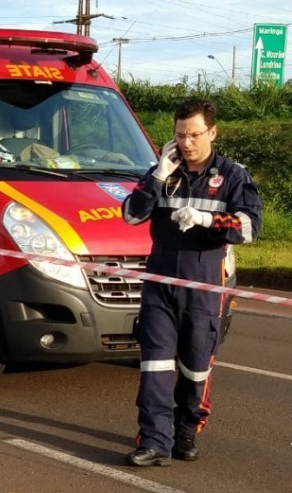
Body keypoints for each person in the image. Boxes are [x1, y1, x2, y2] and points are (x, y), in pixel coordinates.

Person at [122, 99, 261, 467]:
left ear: (212, 133)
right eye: (180, 134)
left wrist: (207, 220)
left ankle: (187, 426)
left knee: (196, 366)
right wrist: (156, 178)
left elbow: (250, 228)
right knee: (155, 363)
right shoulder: (165, 170)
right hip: (161, 281)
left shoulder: (232, 176)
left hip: (203, 284)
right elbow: (131, 215)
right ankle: (153, 440)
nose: (186, 143)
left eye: (194, 135)